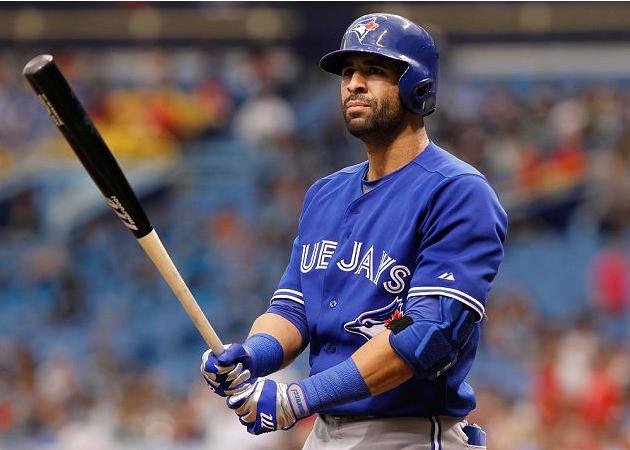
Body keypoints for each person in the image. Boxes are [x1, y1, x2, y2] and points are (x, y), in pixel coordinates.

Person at [201, 12, 507, 450]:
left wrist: (297, 398)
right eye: (347, 72)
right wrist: (252, 356)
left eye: (375, 71)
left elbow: (427, 336)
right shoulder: (325, 193)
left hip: (408, 434)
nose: (353, 84)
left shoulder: (458, 192)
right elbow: (293, 309)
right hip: (325, 434)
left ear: (417, 86)